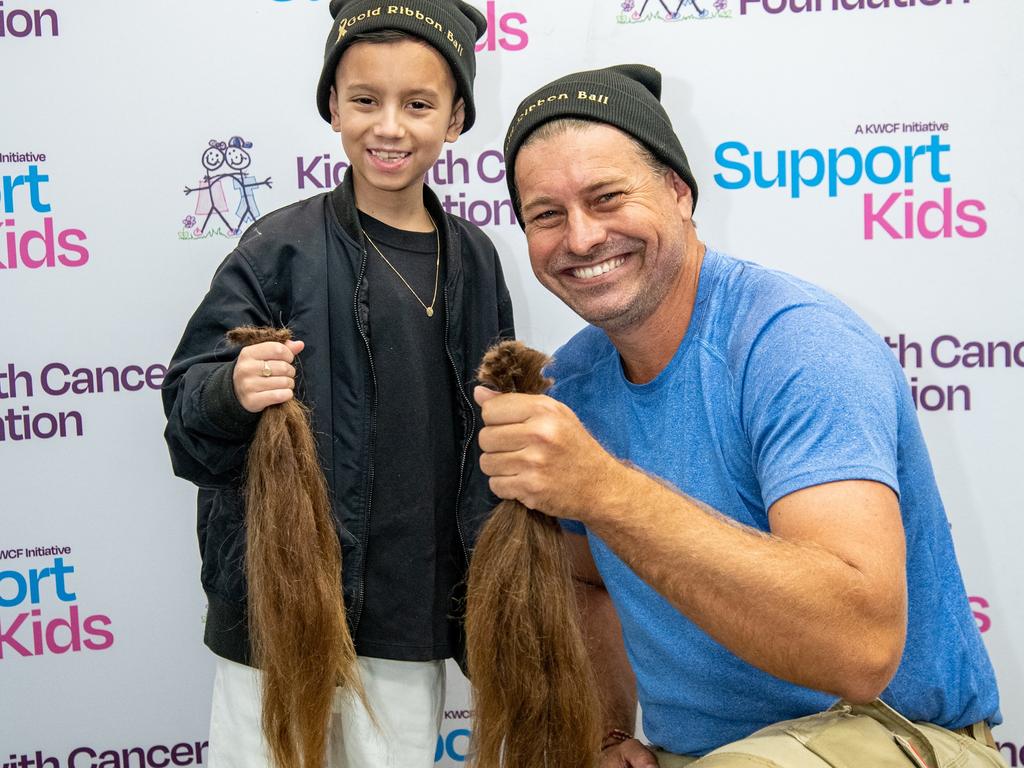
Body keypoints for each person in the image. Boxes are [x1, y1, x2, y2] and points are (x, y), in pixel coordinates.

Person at [475, 64, 1003, 767]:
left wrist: (601, 487)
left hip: (890, 732)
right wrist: (604, 734)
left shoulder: (794, 341)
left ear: (678, 192)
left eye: (607, 198)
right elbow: (583, 578)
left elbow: (860, 649)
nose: (580, 237)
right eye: (547, 215)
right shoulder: (570, 383)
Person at [162, 2, 514, 766]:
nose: (389, 126)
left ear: (455, 119)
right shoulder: (278, 248)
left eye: (418, 104)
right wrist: (230, 390)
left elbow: (491, 437)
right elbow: (186, 418)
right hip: (279, 611)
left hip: (410, 612)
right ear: (332, 106)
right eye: (365, 100)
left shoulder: (478, 260)